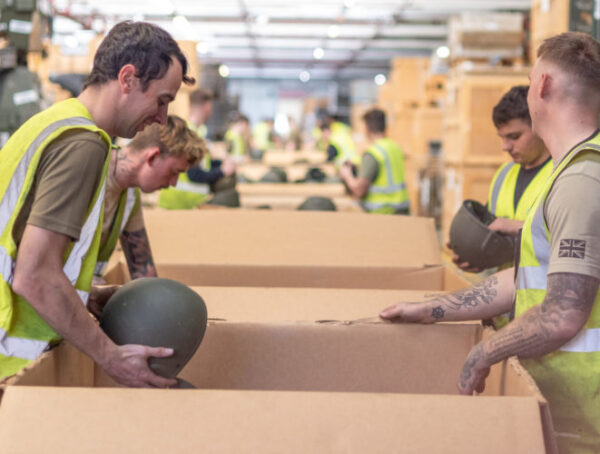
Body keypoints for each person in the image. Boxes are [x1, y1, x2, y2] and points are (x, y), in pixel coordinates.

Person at [381, 32, 600, 453]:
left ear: (543, 86)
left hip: (587, 423)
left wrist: (486, 351)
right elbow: (527, 280)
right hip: (568, 411)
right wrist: (434, 308)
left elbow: (563, 314)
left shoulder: (582, 180)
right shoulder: (567, 171)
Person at [0, 21, 194, 387]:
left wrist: (85, 295)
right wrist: (112, 358)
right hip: (7, 355)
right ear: (127, 78)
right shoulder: (83, 144)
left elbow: (18, 248)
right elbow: (35, 274)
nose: (161, 117)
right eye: (162, 100)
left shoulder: (55, 123)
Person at [451, 86, 552, 273]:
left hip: (549, 297)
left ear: (540, 126)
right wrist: (478, 256)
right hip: (507, 296)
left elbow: (579, 237)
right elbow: (496, 237)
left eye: (514, 137)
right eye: (502, 137)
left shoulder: (566, 175)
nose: (505, 146)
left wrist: (517, 227)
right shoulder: (504, 174)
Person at [94, 115, 205, 284]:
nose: (173, 183)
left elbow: (143, 271)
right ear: (152, 156)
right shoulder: (91, 173)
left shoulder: (129, 195)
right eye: (174, 172)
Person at [158, 89, 235, 210]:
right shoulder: (189, 133)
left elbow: (202, 165)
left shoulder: (193, 130)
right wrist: (222, 171)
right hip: (180, 204)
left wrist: (219, 164)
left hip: (185, 202)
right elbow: (194, 174)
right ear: (207, 106)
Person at [339, 108, 409, 215]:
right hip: (401, 209)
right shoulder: (395, 147)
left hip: (382, 212)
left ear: (366, 128)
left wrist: (347, 175)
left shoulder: (373, 154)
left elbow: (359, 191)